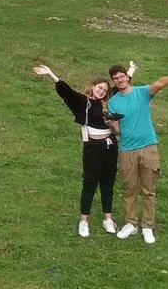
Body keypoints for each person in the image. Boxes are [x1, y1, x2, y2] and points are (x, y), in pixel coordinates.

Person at [33, 64, 120, 238]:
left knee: (108, 182)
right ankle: (84, 221)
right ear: (93, 86)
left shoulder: (108, 104)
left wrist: (131, 71)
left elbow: (120, 87)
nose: (102, 91)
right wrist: (51, 73)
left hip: (111, 147)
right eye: (99, 88)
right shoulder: (83, 102)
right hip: (92, 149)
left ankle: (108, 218)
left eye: (105, 89)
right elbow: (67, 92)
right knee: (89, 183)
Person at [104, 58, 168, 244]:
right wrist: (111, 125)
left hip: (148, 147)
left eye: (122, 76)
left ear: (127, 77)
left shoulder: (142, 93)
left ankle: (147, 226)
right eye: (116, 78)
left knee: (149, 190)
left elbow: (159, 84)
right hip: (127, 150)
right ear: (114, 81)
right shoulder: (114, 102)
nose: (120, 80)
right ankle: (131, 224)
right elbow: (117, 130)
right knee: (129, 189)